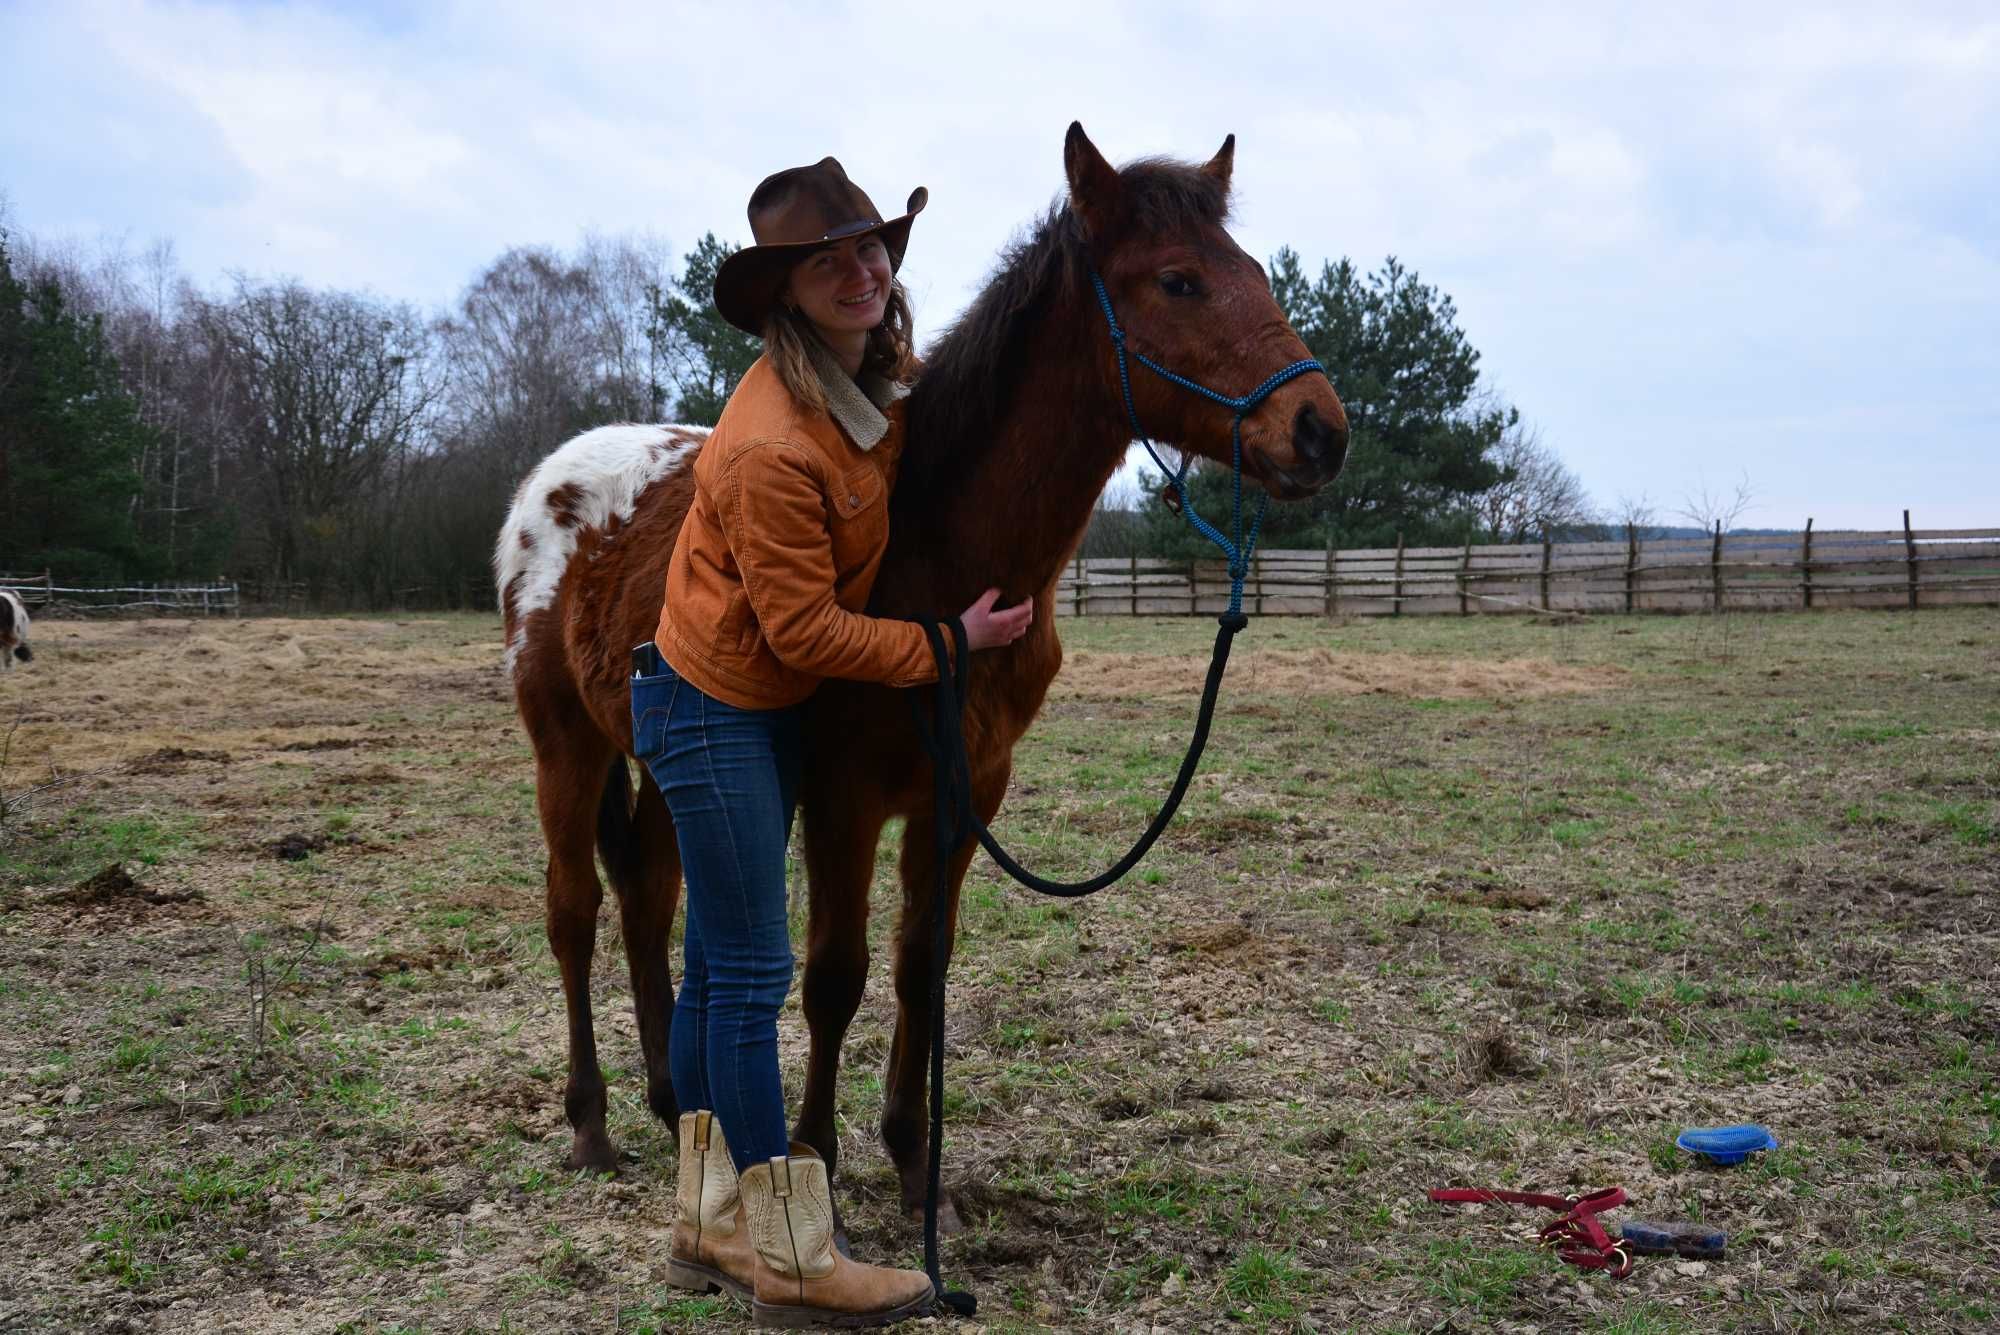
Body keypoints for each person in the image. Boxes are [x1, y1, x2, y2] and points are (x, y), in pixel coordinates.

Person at [633, 158, 1031, 1328]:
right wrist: (946, 643)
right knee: (752, 975)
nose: (861, 272)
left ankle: (707, 1225)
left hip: (750, 706)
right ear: (785, 295)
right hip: (713, 710)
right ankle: (795, 1259)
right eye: (827, 261)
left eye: (869, 248)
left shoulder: (864, 382)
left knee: (713, 971)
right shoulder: (770, 443)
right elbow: (803, 626)